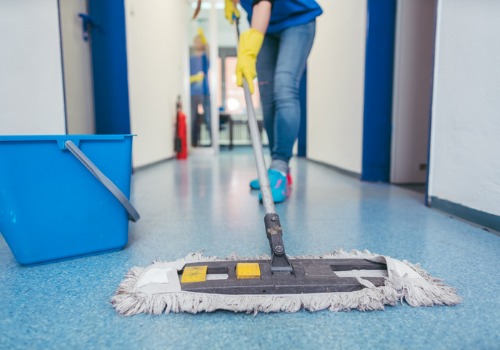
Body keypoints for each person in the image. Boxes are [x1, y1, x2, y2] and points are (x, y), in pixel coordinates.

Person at [225, 0, 322, 203]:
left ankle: (280, 167)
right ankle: (274, 169)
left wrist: (249, 51)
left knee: (284, 87)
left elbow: (263, 4)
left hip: (298, 20)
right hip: (266, 26)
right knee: (267, 97)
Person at [190, 28, 211, 147]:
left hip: (205, 92)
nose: (198, 43)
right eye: (196, 41)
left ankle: (213, 143)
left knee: (208, 118)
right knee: (193, 119)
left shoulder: (205, 58)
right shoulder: (190, 59)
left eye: (200, 41)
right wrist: (194, 78)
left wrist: (203, 36)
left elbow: (208, 49)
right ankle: (193, 143)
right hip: (193, 93)